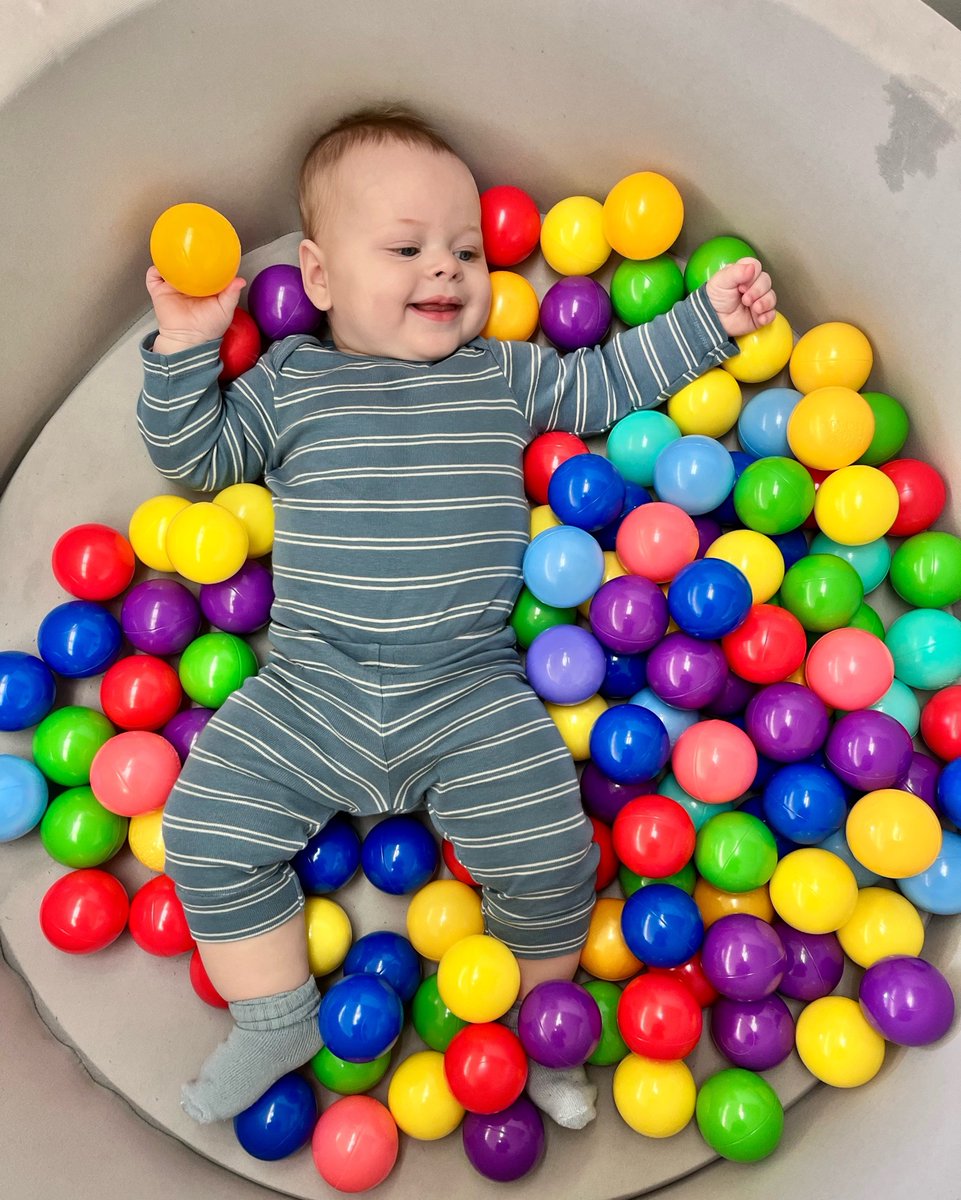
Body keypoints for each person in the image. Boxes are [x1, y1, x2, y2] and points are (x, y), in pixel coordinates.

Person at [138, 103, 776, 1130]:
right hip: (310, 685)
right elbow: (195, 458)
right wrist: (184, 344)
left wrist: (707, 322)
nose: (444, 267)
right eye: (406, 249)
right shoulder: (291, 382)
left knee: (554, 855)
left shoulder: (501, 374)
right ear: (318, 277)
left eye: (466, 250)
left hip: (468, 690)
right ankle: (273, 1017)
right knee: (204, 827)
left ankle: (539, 1022)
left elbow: (603, 384)